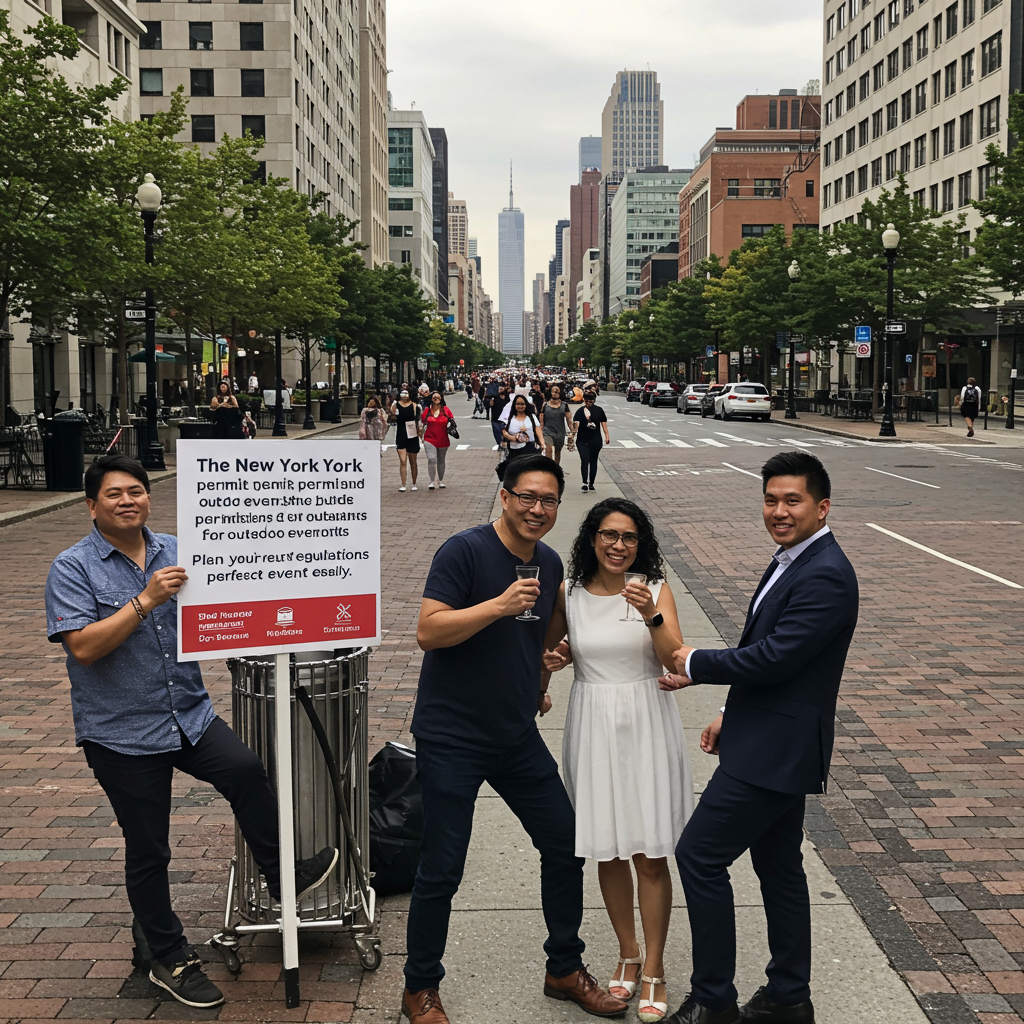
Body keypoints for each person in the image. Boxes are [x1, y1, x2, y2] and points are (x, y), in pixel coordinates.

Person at [44, 455, 338, 1010]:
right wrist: (147, 600)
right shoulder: (72, 567)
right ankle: (167, 954)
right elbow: (83, 648)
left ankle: (283, 879)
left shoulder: (177, 549)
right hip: (120, 731)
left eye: (137, 490)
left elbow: (227, 606)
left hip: (189, 714)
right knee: (150, 847)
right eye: (114, 494)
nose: (128, 500)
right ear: (91, 505)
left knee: (247, 772)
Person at [402, 454, 627, 1024]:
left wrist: (543, 670)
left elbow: (547, 634)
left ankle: (563, 967)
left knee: (564, 843)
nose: (538, 509)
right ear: (504, 497)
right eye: (527, 497)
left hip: (514, 736)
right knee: (442, 868)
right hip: (451, 736)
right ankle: (420, 987)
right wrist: (498, 606)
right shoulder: (465, 551)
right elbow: (429, 631)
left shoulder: (548, 562)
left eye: (549, 500)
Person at [658, 452, 859, 1024]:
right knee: (779, 868)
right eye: (771, 499)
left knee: (699, 855)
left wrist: (695, 661)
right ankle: (790, 997)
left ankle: (714, 1001)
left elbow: (775, 658)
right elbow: (773, 657)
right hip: (770, 738)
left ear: (822, 507)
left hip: (777, 751)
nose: (778, 510)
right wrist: (730, 711)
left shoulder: (825, 572)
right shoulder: (795, 558)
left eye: (792, 500)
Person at [544, 499, 693, 1023]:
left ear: (641, 544)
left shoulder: (654, 589)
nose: (617, 545)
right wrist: (554, 663)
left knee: (650, 853)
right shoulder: (570, 594)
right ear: (591, 539)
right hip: (593, 725)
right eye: (608, 535)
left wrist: (649, 612)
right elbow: (557, 649)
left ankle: (654, 966)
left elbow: (676, 656)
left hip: (645, 723)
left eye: (629, 537)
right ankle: (627, 952)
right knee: (606, 850)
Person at [572, 390, 610, 492]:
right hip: (582, 440)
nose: (589, 403)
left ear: (594, 400)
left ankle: (591, 482)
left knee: (593, 461)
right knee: (585, 460)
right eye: (587, 401)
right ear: (584, 400)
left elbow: (603, 424)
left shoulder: (599, 411)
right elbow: (575, 425)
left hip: (595, 440)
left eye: (591, 401)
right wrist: (572, 436)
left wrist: (607, 436)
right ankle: (584, 482)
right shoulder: (580, 411)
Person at [421, 390, 456, 490]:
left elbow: (452, 421)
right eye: (434, 397)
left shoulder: (445, 410)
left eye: (438, 397)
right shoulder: (427, 410)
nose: (436, 399)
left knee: (441, 460)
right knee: (432, 459)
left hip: (443, 438)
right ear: (431, 399)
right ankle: (432, 481)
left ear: (441, 399)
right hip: (429, 438)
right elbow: (422, 422)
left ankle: (440, 480)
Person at [501, 393, 545, 472]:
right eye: (518, 404)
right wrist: (511, 438)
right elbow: (504, 431)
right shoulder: (510, 418)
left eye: (522, 404)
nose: (520, 406)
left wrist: (542, 443)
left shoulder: (532, 417)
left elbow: (538, 430)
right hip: (514, 451)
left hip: (529, 450)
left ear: (526, 405)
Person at [391, 390, 422, 491]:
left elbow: (418, 421)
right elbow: (391, 417)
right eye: (402, 393)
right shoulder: (396, 405)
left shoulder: (415, 406)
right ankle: (403, 484)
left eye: (406, 393)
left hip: (412, 435)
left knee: (413, 461)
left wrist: (420, 433)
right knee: (403, 461)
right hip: (401, 434)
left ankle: (414, 483)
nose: (404, 395)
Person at [540, 384, 573, 464]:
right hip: (547, 431)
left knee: (558, 451)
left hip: (560, 432)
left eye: (557, 391)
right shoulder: (545, 405)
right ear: (550, 392)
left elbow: (569, 420)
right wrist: (540, 434)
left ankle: (556, 468)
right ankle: (550, 467)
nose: (555, 392)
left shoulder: (564, 406)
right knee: (548, 449)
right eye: (553, 391)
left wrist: (573, 431)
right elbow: (541, 421)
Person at [489, 383, 510, 447]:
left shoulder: (508, 398)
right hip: (496, 418)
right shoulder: (494, 397)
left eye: (502, 388)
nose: (500, 390)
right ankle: (500, 445)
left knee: (505, 434)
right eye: (499, 388)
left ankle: (505, 445)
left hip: (505, 419)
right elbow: (489, 404)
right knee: (497, 434)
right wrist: (490, 403)